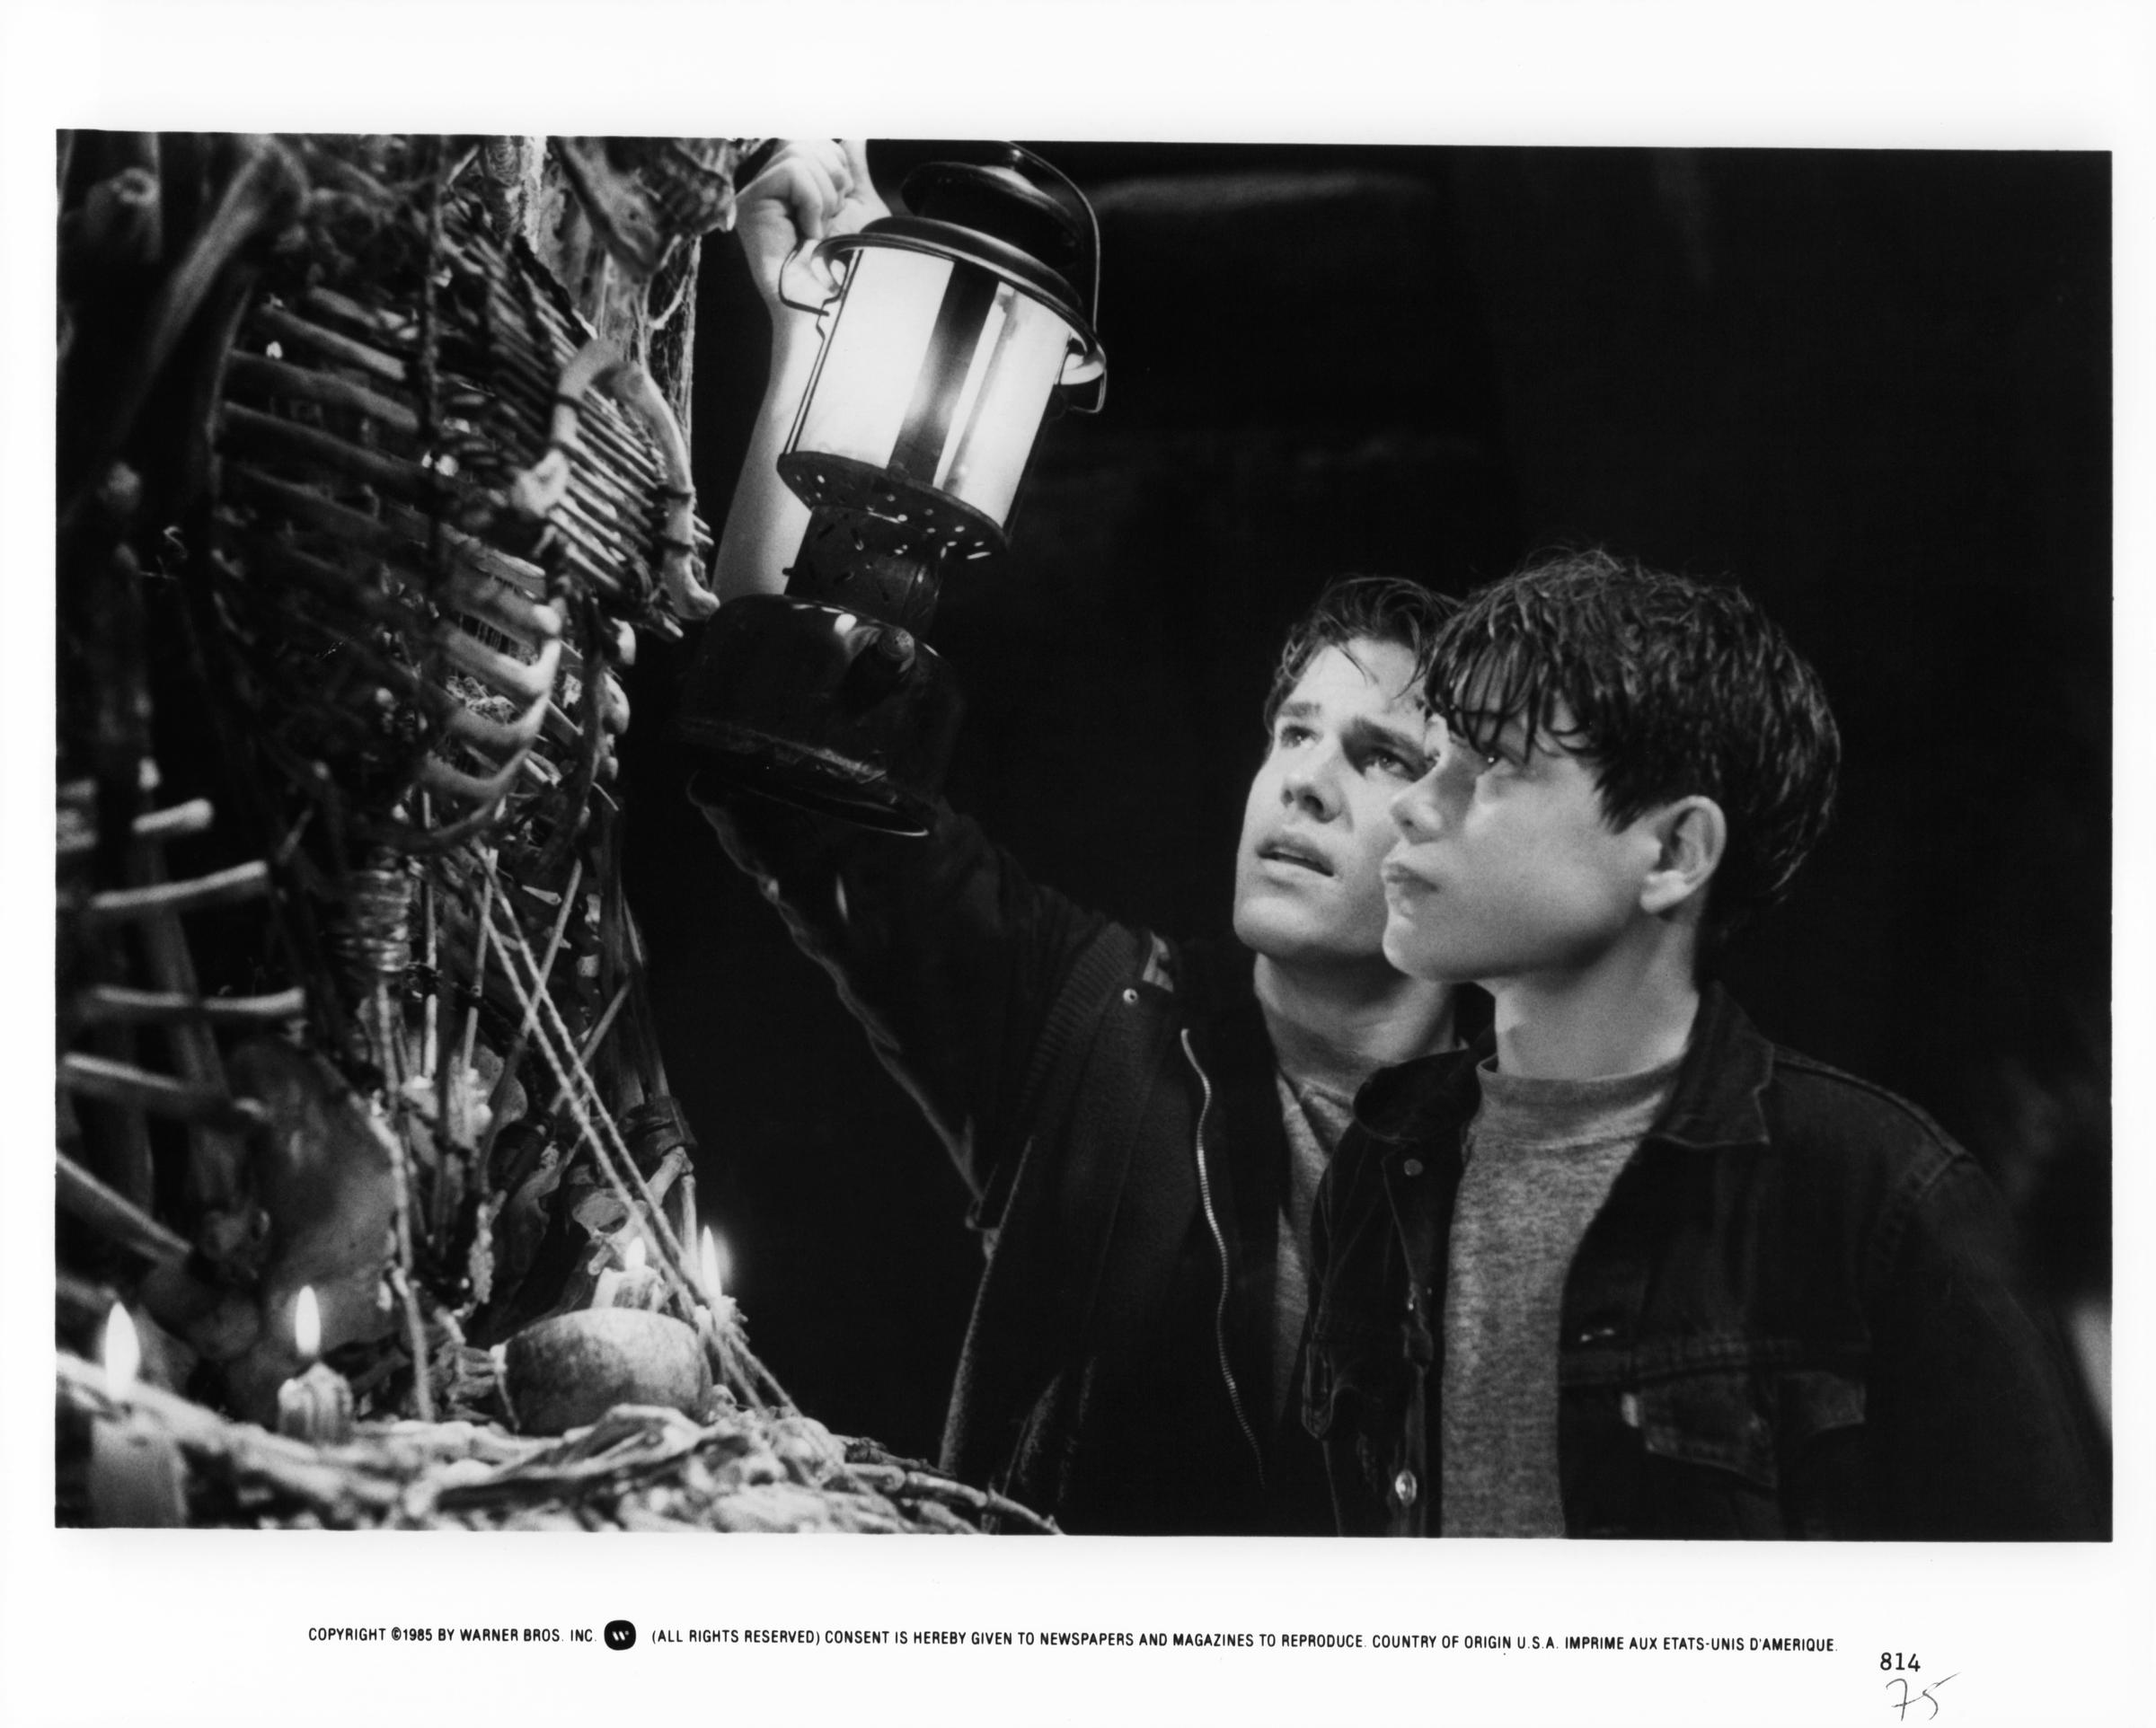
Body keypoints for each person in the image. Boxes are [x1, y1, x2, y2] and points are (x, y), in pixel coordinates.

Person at [694, 142, 1462, 1533]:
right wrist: (831, 330)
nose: (1302, 783)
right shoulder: (1103, 1026)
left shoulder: (1544, 1157)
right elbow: (791, 761)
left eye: (1378, 755)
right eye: (1292, 733)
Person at [1303, 549, 2105, 1538]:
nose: (1415, 804)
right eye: (1431, 761)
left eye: (1493, 767)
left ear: (1677, 851)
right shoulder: (1384, 1167)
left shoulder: (1880, 1200)